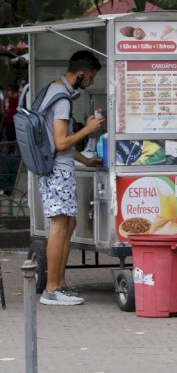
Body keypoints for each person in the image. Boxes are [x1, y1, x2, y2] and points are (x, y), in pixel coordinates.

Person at [38, 50, 105, 305]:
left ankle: (60, 284)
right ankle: (52, 288)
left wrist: (85, 160)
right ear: (80, 74)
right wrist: (88, 129)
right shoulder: (63, 100)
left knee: (69, 223)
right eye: (90, 78)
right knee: (59, 225)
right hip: (57, 170)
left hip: (55, 167)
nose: (91, 83)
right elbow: (61, 141)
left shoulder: (52, 89)